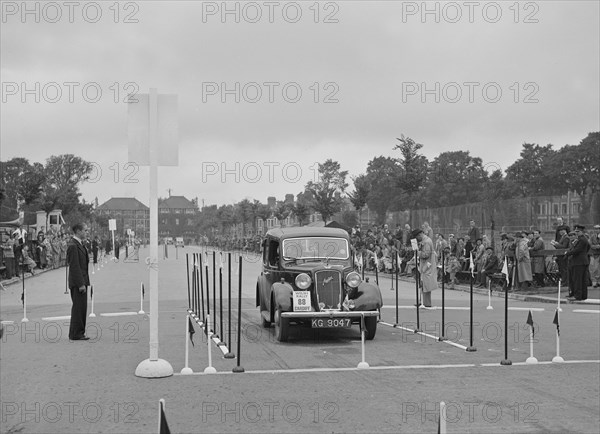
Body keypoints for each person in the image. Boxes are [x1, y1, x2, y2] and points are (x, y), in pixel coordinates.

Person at [67, 223, 90, 341]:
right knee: (78, 308)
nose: (87, 232)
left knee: (81, 308)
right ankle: (76, 333)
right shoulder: (73, 245)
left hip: (82, 280)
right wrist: (81, 284)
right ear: (78, 231)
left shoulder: (79, 244)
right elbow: (75, 266)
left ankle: (77, 332)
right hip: (78, 283)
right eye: (85, 230)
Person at [564, 225, 590, 301]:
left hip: (579, 262)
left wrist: (567, 253)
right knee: (582, 280)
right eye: (576, 231)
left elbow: (577, 250)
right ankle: (583, 295)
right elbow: (587, 247)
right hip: (582, 261)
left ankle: (578, 296)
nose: (577, 233)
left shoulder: (582, 240)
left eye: (578, 231)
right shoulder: (582, 239)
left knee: (578, 280)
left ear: (582, 232)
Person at [413, 228, 437, 307]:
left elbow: (425, 255)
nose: (416, 239)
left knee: (426, 284)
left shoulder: (426, 242)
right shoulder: (425, 240)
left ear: (419, 235)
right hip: (426, 264)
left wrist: (417, 252)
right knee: (423, 284)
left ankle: (426, 303)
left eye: (416, 237)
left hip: (427, 265)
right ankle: (422, 301)